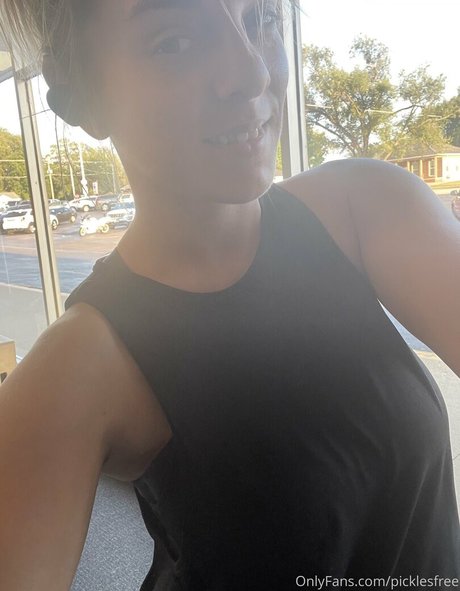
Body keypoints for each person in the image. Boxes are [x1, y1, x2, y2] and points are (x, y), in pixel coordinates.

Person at [0, 1, 459, 590]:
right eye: (174, 41)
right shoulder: (79, 363)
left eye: (260, 18)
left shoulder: (365, 206)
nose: (252, 72)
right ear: (85, 97)